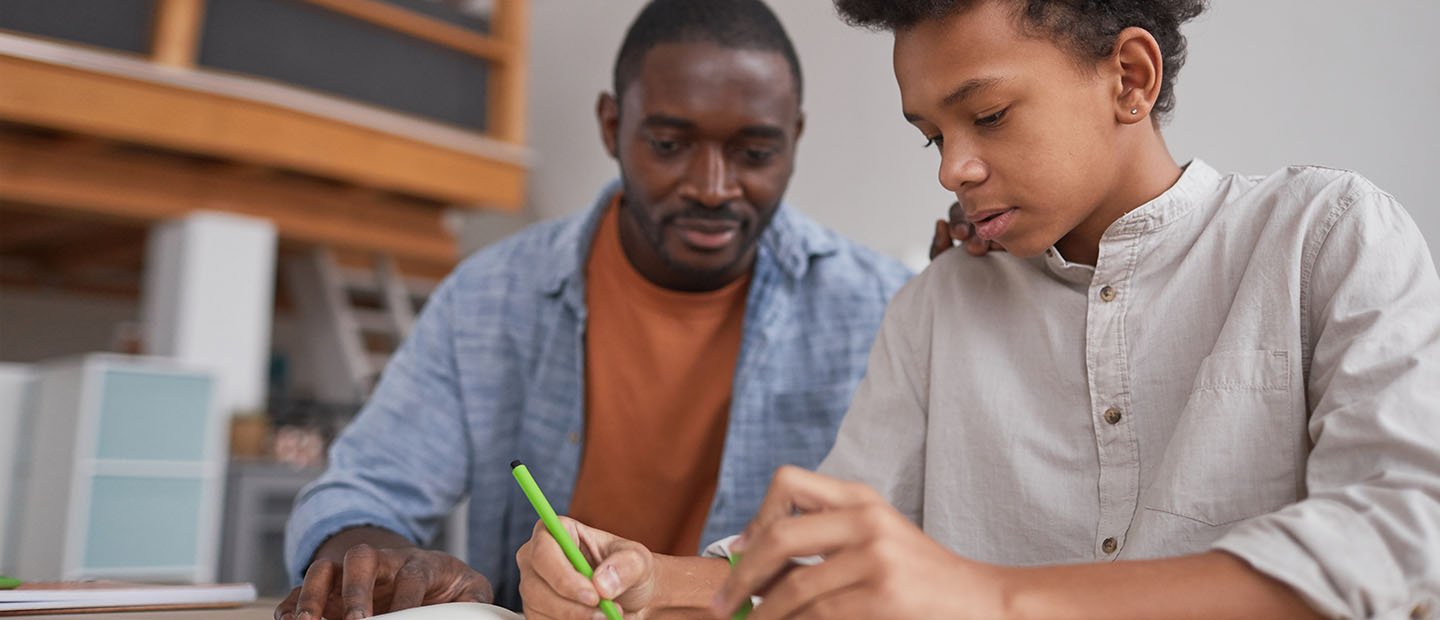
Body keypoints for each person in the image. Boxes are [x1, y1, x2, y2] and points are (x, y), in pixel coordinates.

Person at [515, 1, 1440, 618]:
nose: (953, 167)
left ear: (1130, 77)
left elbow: (1402, 539)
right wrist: (642, 578)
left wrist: (988, 596)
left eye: (987, 116)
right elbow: (811, 564)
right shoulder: (938, 307)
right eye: (932, 136)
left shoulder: (1324, 238)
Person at [274, 1, 916, 618]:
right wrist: (380, 563)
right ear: (612, 125)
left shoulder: (884, 308)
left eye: (755, 154)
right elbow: (360, 490)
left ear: (794, 137)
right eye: (669, 144)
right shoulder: (492, 297)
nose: (713, 187)